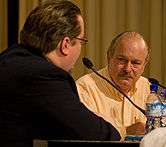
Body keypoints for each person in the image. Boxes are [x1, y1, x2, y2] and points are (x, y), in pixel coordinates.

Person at [0, 1, 121, 146]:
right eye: (81, 41)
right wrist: (112, 124)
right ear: (65, 45)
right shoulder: (44, 76)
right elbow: (99, 134)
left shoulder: (9, 58)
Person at [76, 31, 166, 138]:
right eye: (122, 60)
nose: (127, 69)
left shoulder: (148, 89)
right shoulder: (85, 88)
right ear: (109, 57)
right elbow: (86, 133)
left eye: (135, 63)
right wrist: (126, 130)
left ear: (144, 65)